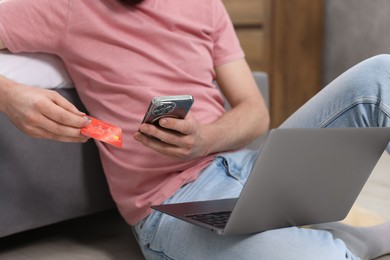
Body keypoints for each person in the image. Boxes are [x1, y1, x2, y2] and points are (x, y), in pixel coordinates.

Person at [0, 0, 389, 259]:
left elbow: (255, 112)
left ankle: (331, 232)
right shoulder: (67, 7)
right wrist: (11, 95)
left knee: (381, 74)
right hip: (172, 204)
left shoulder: (204, 4)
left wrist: (205, 138)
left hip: (253, 168)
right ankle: (347, 239)